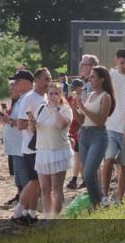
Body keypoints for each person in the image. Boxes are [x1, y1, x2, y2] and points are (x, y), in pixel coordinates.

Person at [73, 66, 116, 209]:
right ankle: (97, 205)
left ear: (102, 79)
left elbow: (100, 121)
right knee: (89, 174)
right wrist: (74, 107)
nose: (90, 79)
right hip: (84, 134)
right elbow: (81, 120)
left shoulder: (106, 97)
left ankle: (97, 203)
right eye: (90, 77)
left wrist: (83, 108)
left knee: (89, 173)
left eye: (93, 77)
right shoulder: (90, 95)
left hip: (98, 135)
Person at [12, 68, 51, 223]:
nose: (49, 81)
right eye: (46, 78)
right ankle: (17, 213)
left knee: (39, 182)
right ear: (36, 80)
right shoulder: (29, 98)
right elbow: (20, 124)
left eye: (49, 78)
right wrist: (33, 124)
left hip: (44, 145)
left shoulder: (48, 96)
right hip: (31, 146)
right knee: (34, 181)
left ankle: (32, 214)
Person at [31, 82, 73, 216]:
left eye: (56, 93)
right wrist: (31, 123)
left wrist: (55, 109)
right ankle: (47, 217)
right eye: (51, 93)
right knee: (44, 189)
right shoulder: (41, 108)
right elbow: (33, 130)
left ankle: (55, 217)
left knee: (56, 188)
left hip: (58, 151)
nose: (53, 96)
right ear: (47, 95)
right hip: (43, 151)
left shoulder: (65, 109)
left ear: (61, 94)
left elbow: (61, 125)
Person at [102, 48, 125, 205]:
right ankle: (104, 195)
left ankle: (119, 198)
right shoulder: (111, 75)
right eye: (121, 63)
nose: (124, 66)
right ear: (116, 61)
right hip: (111, 125)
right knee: (108, 159)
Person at [65, 78, 84, 189]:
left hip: (76, 132)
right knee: (78, 157)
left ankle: (76, 179)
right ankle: (78, 179)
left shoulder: (76, 99)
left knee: (78, 157)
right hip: (74, 131)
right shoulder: (73, 99)